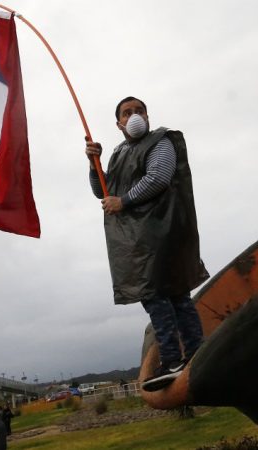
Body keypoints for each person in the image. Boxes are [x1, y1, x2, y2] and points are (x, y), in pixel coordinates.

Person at [86, 96, 209, 392]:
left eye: (139, 110)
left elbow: (159, 178)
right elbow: (102, 191)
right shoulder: (118, 153)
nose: (134, 116)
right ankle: (195, 353)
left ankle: (174, 358)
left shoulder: (160, 141)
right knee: (173, 296)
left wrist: (123, 201)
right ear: (119, 124)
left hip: (161, 232)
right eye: (127, 113)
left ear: (148, 116)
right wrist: (94, 165)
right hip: (139, 239)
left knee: (161, 295)